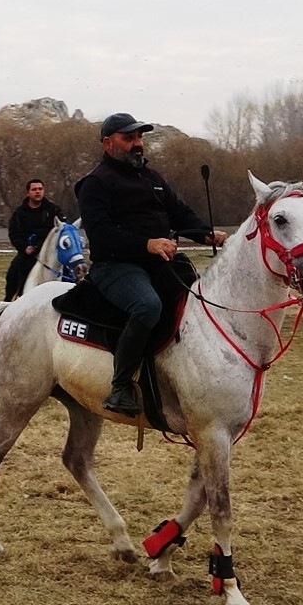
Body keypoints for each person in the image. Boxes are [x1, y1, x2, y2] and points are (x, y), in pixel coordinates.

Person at [75, 113, 228, 416]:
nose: (137, 144)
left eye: (140, 138)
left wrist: (205, 233)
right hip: (115, 268)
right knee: (147, 306)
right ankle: (120, 387)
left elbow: (179, 213)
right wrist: (147, 244)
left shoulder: (152, 178)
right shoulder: (95, 183)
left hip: (157, 264)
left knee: (195, 295)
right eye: (128, 138)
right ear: (108, 143)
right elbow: (101, 234)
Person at [3, 178, 63, 301]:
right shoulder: (19, 213)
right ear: (28, 192)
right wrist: (25, 248)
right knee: (13, 273)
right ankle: (9, 301)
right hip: (28, 253)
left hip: (50, 252)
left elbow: (62, 229)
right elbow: (14, 234)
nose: (37, 192)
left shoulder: (53, 210)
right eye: (34, 189)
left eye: (40, 189)